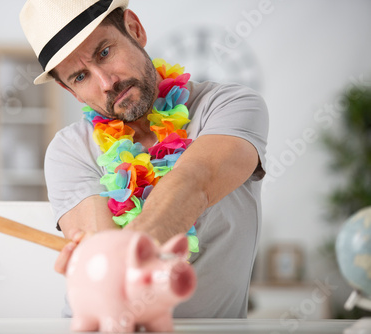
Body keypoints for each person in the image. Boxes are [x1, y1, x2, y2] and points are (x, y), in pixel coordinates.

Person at [20, 0, 268, 318]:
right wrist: (97, 264)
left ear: (135, 29)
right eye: (81, 77)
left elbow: (195, 182)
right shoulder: (69, 149)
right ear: (72, 92)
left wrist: (114, 257)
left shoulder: (230, 106)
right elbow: (104, 256)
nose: (107, 83)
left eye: (104, 52)